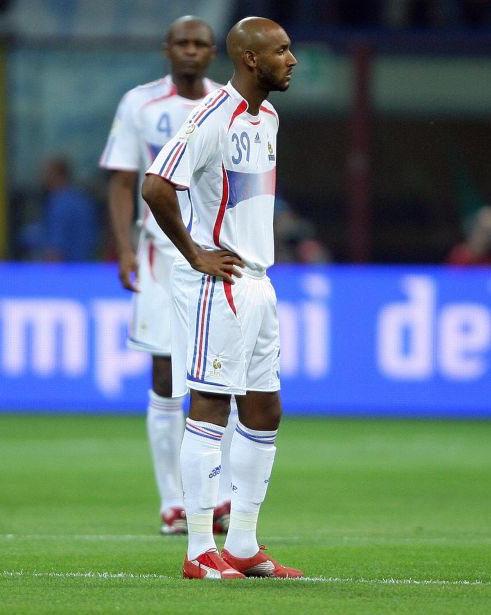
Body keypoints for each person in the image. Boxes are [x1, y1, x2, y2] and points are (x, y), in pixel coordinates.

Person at [142, 16, 301, 579]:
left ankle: (243, 545)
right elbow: (156, 184)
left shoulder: (270, 116)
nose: (292, 59)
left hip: (260, 281)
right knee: (209, 405)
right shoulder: (210, 117)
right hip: (223, 285)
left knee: (264, 409)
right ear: (251, 59)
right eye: (282, 51)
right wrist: (195, 255)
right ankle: (198, 552)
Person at [99, 16, 235, 536]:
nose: (191, 51)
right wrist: (125, 249)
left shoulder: (225, 104)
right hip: (159, 253)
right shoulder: (140, 104)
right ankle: (173, 501)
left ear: (212, 52)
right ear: (167, 49)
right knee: (164, 377)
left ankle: (217, 497)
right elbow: (120, 180)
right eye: (183, 42)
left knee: (217, 372)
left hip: (213, 252)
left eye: (201, 44)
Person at [38, 157, 100, 261]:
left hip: (66, 269)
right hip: (86, 266)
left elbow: (55, 249)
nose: (42, 179)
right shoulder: (83, 199)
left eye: (46, 174)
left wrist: (49, 274)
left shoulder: (59, 203)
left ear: (55, 175)